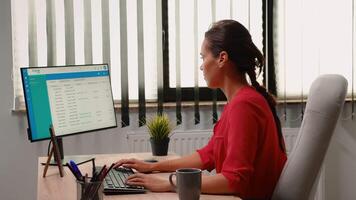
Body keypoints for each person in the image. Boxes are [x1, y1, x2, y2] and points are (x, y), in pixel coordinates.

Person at [114, 19, 287, 199]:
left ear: (222, 58)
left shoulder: (244, 105)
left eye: (203, 57)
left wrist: (169, 184)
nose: (201, 66)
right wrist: (152, 167)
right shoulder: (240, 101)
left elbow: (235, 180)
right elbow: (208, 155)